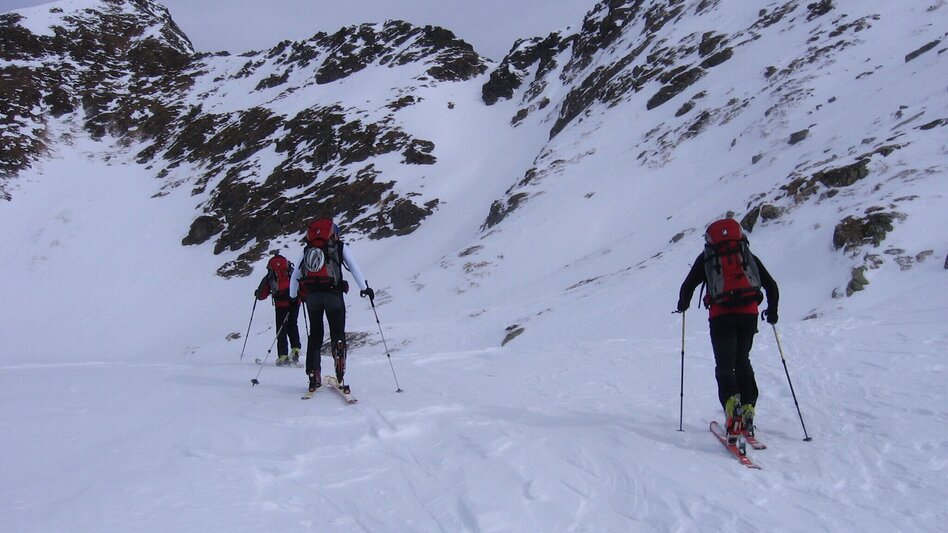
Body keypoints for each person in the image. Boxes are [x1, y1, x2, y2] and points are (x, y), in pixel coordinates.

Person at [676, 218, 779, 439]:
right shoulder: (746, 256)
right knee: (742, 359)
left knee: (724, 364)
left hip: (721, 315)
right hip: (749, 314)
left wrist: (683, 305)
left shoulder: (709, 257)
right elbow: (770, 285)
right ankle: (749, 408)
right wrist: (772, 311)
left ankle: (733, 408)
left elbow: (688, 286)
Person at [289, 218, 375, 394]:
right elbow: (354, 267)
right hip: (334, 295)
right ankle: (340, 368)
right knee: (337, 332)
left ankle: (313, 374)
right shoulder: (340, 247)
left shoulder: (307, 250)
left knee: (315, 335)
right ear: (334, 233)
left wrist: (292, 296)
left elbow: (295, 275)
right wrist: (365, 288)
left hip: (312, 297)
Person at [254, 252, 302, 366]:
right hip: (294, 302)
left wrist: (257, 294)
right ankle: (295, 349)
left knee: (281, 329)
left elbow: (261, 294)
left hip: (281, 304)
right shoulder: (290, 271)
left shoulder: (270, 274)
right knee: (293, 325)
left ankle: (283, 356)